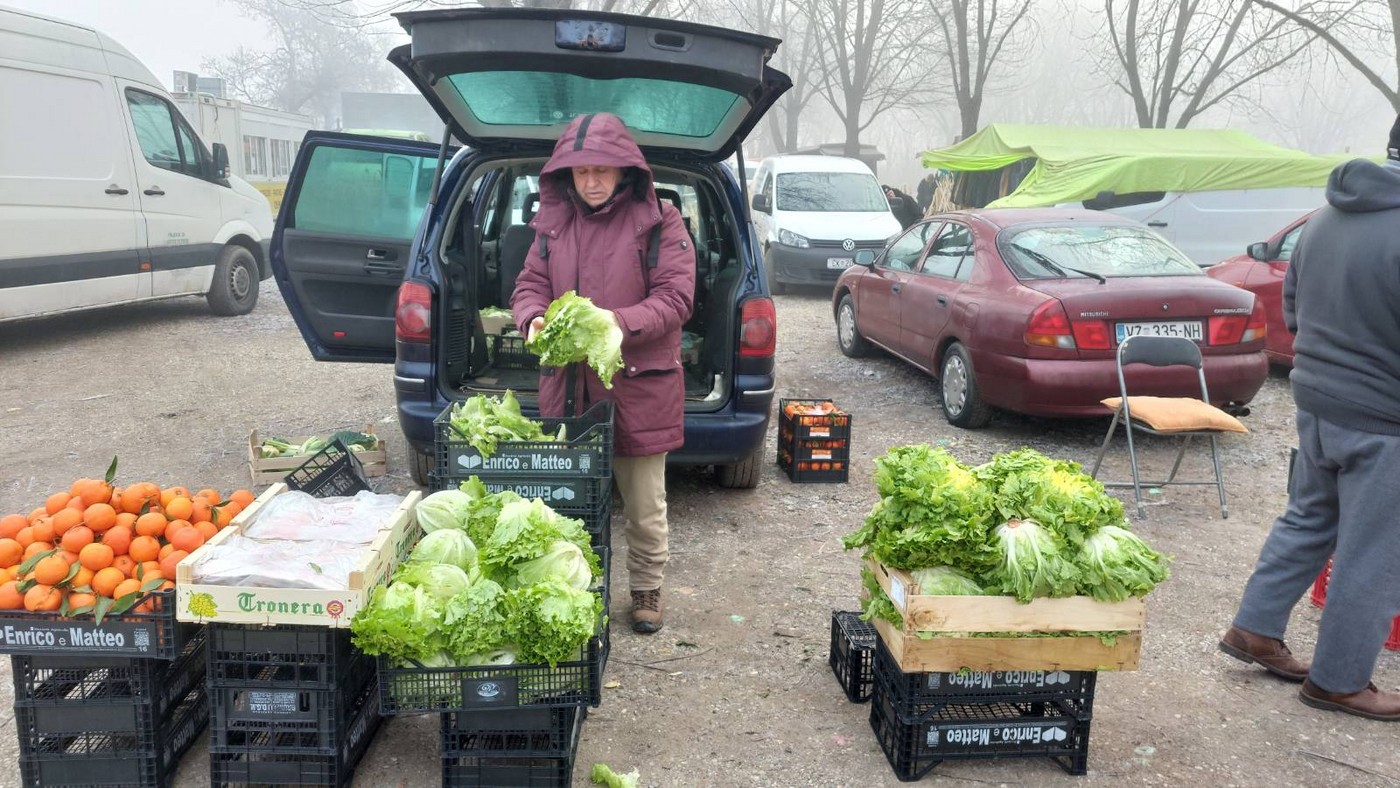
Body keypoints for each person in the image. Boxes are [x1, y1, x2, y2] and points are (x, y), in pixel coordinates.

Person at [1220, 114, 1400, 721]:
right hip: (1385, 420)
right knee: (1374, 553)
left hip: (1318, 401)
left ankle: (1255, 628)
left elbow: (1292, 310)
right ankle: (1340, 681)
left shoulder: (1324, 219)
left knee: (1308, 518)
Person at [511, 112, 695, 635]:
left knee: (643, 502)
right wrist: (533, 317)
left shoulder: (660, 221)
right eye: (580, 171)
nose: (590, 182)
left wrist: (615, 323)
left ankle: (646, 589)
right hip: (569, 387)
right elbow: (528, 285)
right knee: (571, 499)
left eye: (602, 170)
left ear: (625, 171)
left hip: (638, 384)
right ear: (563, 175)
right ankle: (575, 586)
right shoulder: (553, 225)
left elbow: (677, 298)